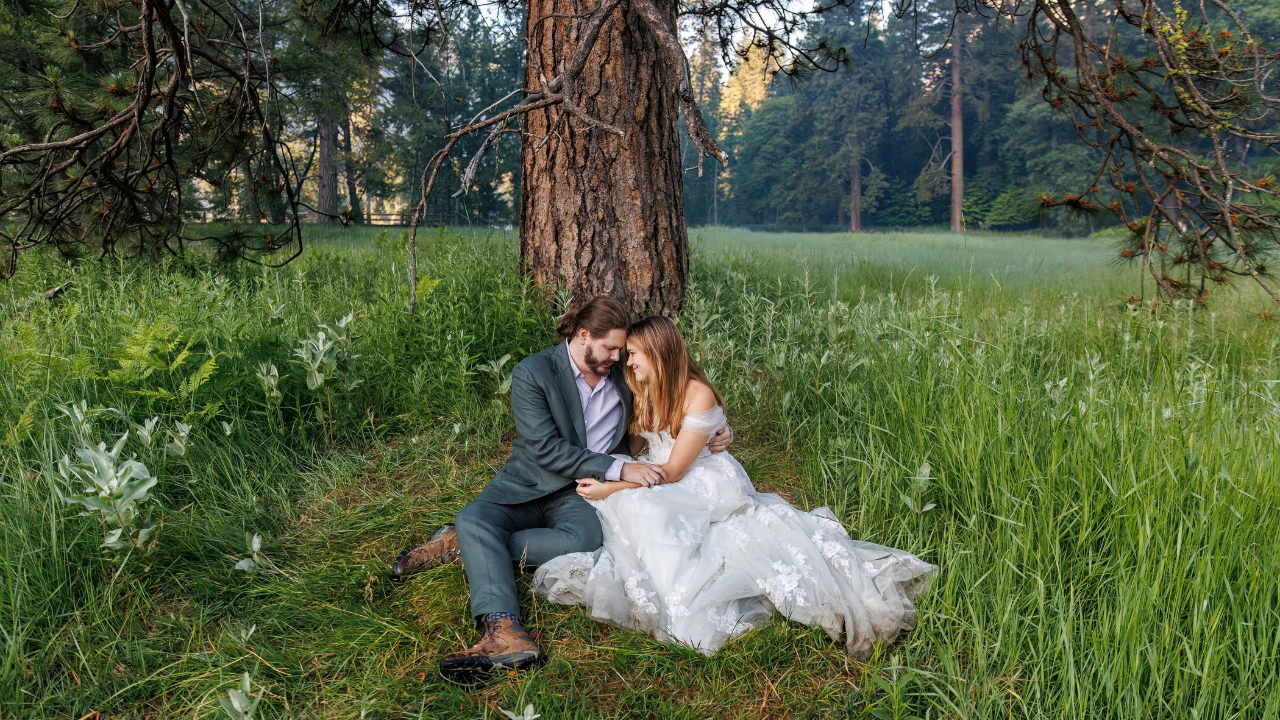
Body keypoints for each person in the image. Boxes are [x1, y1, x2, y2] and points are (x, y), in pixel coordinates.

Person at [533, 316, 936, 658]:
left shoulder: (697, 393)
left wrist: (612, 488)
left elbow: (672, 471)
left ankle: (677, 596)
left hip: (697, 478)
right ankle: (655, 577)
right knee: (628, 514)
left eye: (634, 353)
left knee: (647, 509)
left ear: (658, 353)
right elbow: (641, 445)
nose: (626, 361)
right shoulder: (644, 387)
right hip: (661, 468)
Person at [388, 297, 733, 685]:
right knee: (474, 517)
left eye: (623, 350)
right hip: (529, 482)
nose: (619, 357)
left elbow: (675, 393)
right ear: (583, 335)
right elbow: (544, 449)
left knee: (585, 539)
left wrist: (713, 429)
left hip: (582, 492)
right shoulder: (533, 372)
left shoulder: (625, 373)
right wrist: (620, 467)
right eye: (611, 348)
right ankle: (504, 629)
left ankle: (466, 547)